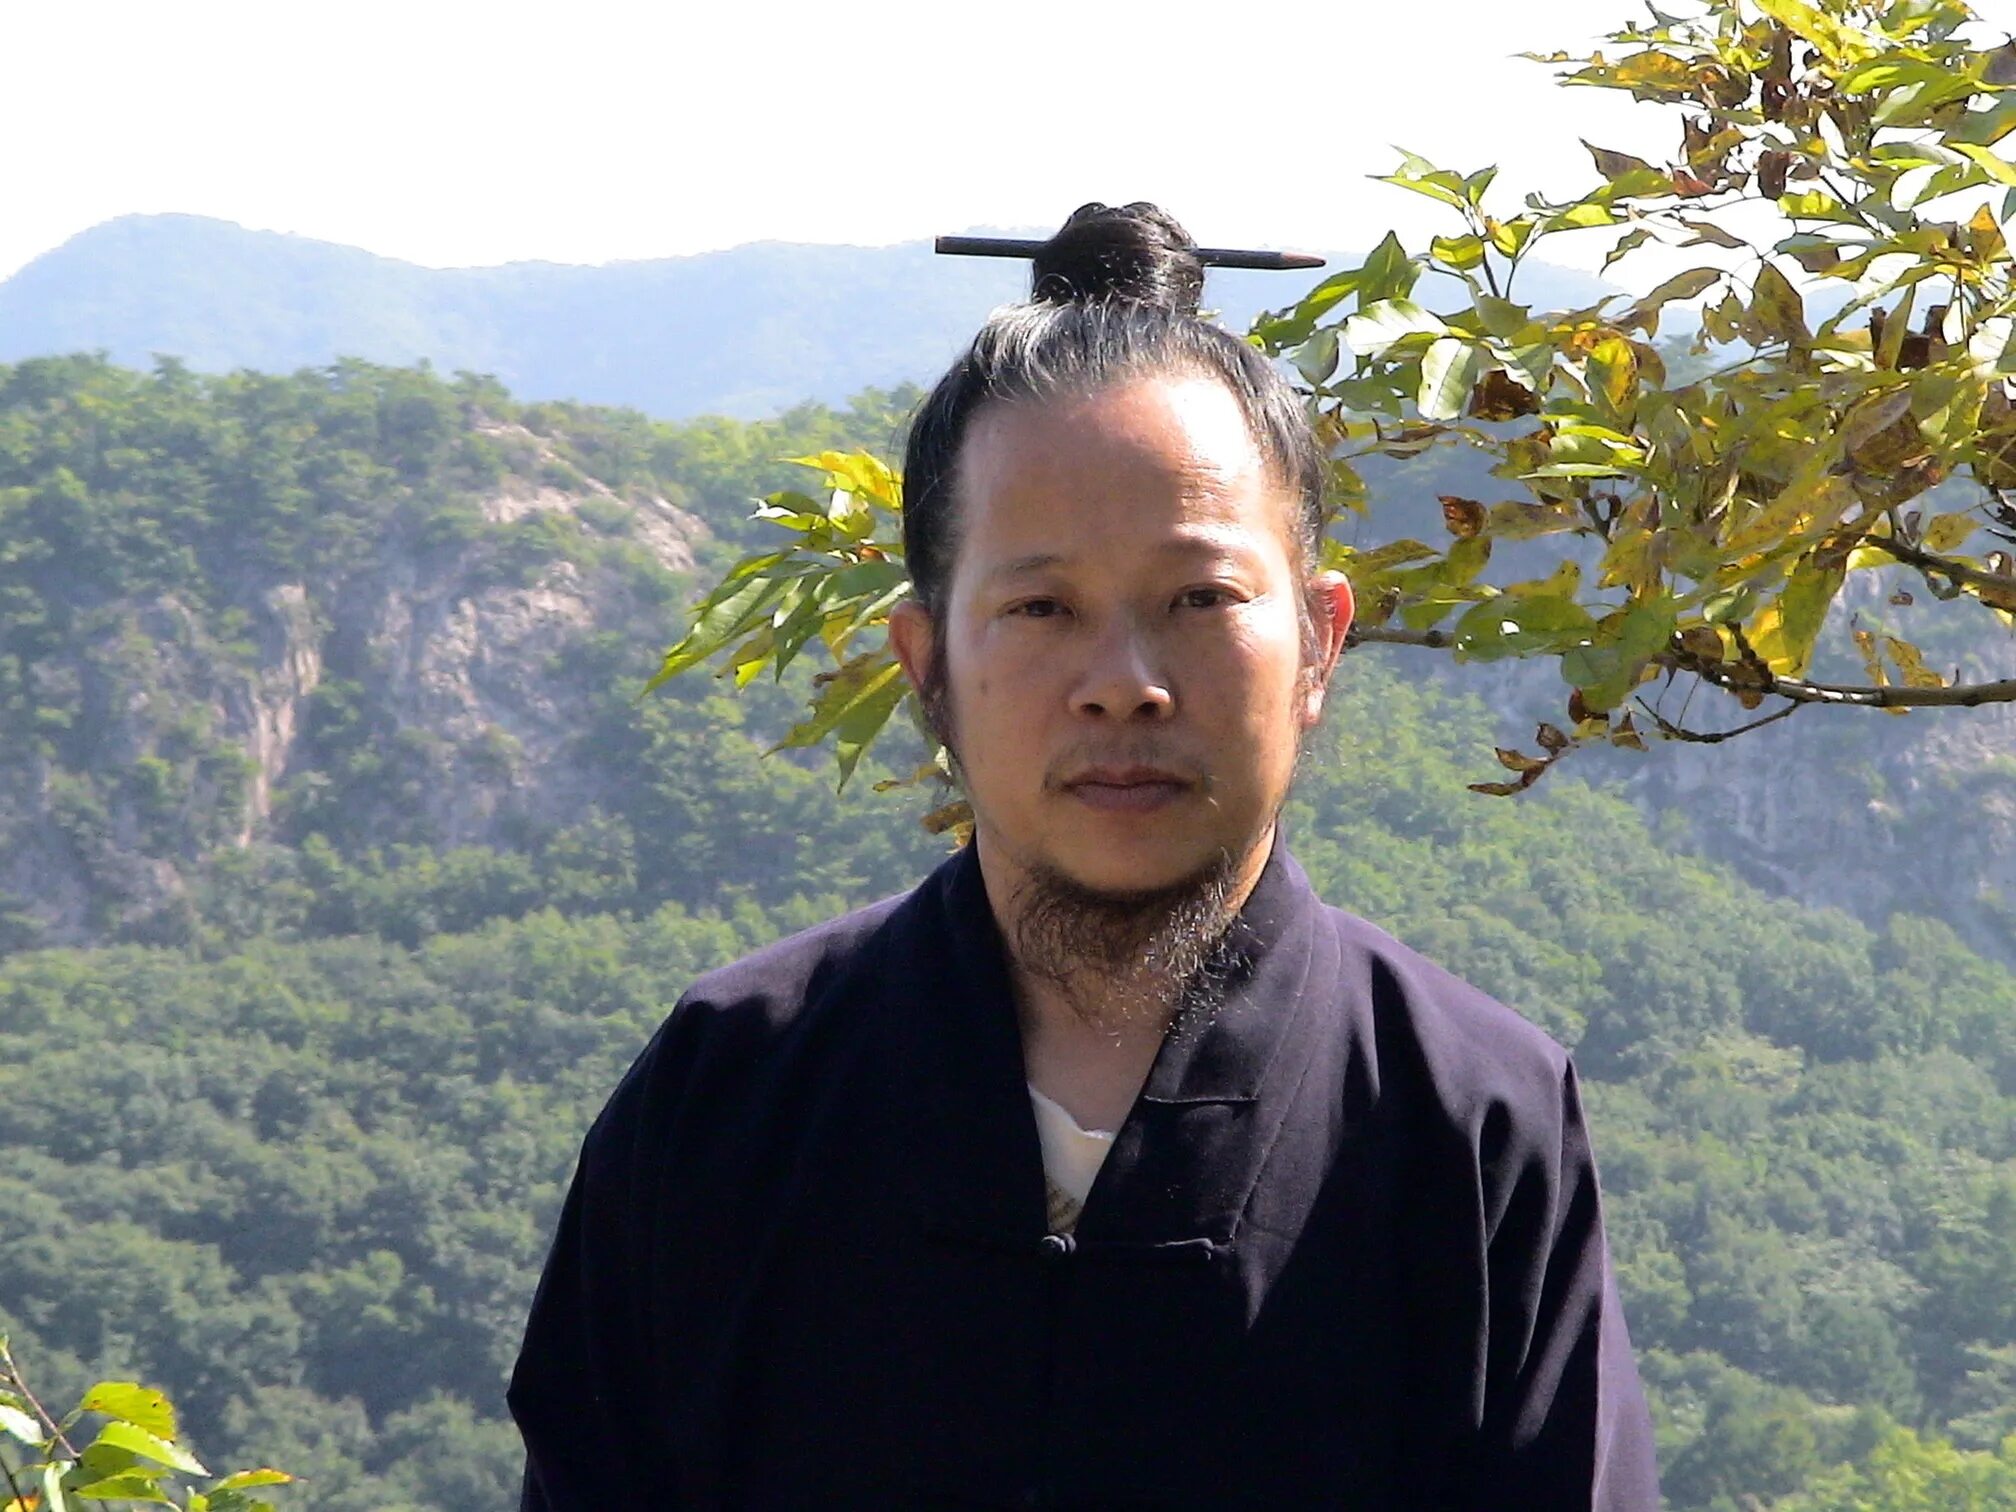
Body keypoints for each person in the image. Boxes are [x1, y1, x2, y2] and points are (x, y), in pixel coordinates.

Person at [508, 202, 1661, 1510]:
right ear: (927, 662)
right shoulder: (729, 1096)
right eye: (1041, 606)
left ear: (1322, 643)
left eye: (1202, 599)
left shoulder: (1467, 1125)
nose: (1124, 686)